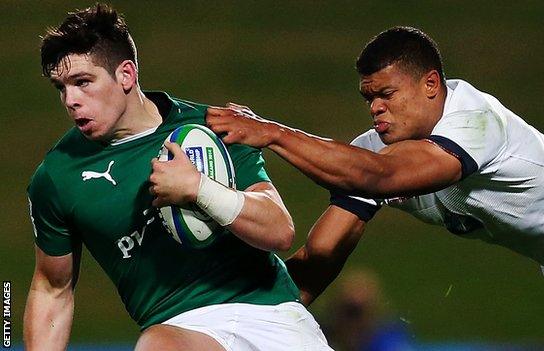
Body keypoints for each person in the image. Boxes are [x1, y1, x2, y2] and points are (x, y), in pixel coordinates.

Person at [205, 26, 544, 350]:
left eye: (386, 94)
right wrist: (240, 324)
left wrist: (272, 134)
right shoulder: (371, 154)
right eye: (369, 98)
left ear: (430, 84)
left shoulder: (475, 121)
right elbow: (320, 256)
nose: (375, 109)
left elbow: (376, 177)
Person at [24, 4, 331, 350]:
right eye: (61, 88)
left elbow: (279, 231)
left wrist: (199, 189)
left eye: (83, 82)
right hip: (180, 328)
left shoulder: (214, 127)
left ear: (126, 75)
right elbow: (52, 288)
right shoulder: (57, 176)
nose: (71, 101)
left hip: (271, 312)